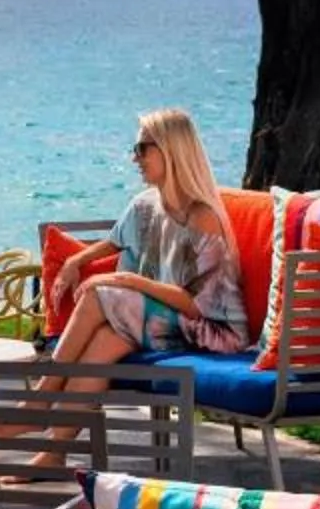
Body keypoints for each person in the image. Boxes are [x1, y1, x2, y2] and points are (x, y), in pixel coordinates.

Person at [40, 108, 251, 395]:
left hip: (210, 330)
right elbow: (115, 242)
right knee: (105, 338)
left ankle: (39, 398)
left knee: (96, 297)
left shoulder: (202, 217)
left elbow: (195, 305)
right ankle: (56, 436)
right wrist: (76, 260)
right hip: (169, 318)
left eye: (142, 149)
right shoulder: (145, 205)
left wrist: (126, 281)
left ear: (171, 150)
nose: (134, 158)